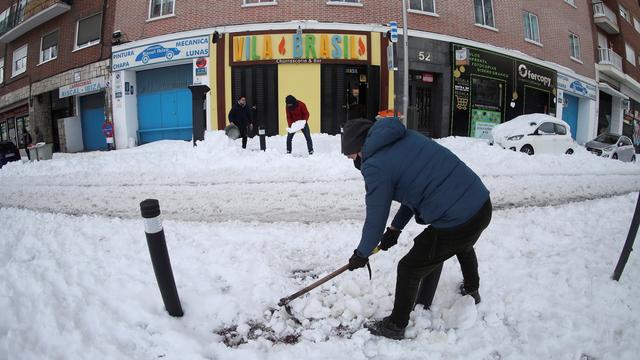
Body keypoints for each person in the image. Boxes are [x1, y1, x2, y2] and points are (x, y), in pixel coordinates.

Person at [341, 117, 492, 340]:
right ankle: (470, 289)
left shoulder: (375, 165)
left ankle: (396, 325)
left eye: (349, 153)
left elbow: (375, 217)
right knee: (457, 244)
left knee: (410, 267)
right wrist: (395, 229)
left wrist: (361, 254)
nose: (349, 158)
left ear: (358, 145)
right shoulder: (403, 137)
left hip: (458, 218)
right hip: (480, 204)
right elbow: (415, 190)